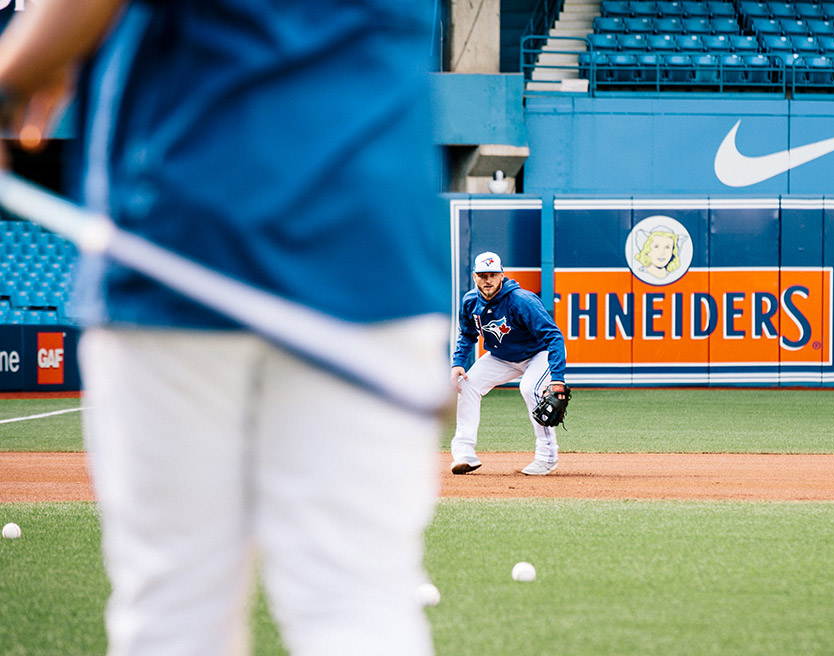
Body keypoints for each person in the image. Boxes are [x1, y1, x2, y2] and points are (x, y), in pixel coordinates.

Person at [0, 2, 449, 655]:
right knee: (357, 604)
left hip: (185, 231)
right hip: (370, 245)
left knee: (176, 614)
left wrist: (16, 73)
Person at [450, 251, 568, 476]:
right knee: (467, 384)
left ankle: (547, 457)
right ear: (474, 276)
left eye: (493, 274)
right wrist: (458, 363)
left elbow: (554, 336)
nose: (488, 280)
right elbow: (467, 334)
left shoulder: (521, 300)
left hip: (537, 354)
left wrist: (558, 378)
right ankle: (463, 452)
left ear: (501, 275)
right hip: (501, 356)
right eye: (483, 275)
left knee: (529, 388)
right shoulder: (469, 302)